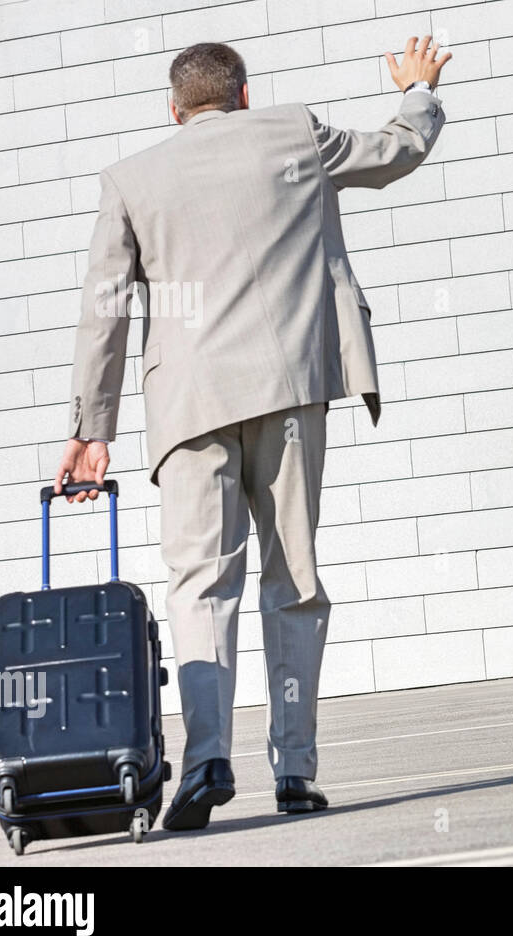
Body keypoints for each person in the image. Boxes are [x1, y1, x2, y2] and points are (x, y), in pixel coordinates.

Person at [51, 37, 451, 830]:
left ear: (175, 108)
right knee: (292, 583)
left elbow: (104, 310)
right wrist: (417, 91)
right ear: (242, 95)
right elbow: (397, 151)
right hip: (289, 388)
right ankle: (296, 770)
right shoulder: (292, 131)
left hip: (188, 408)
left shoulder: (130, 181)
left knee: (202, 585)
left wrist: (93, 429)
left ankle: (206, 758)